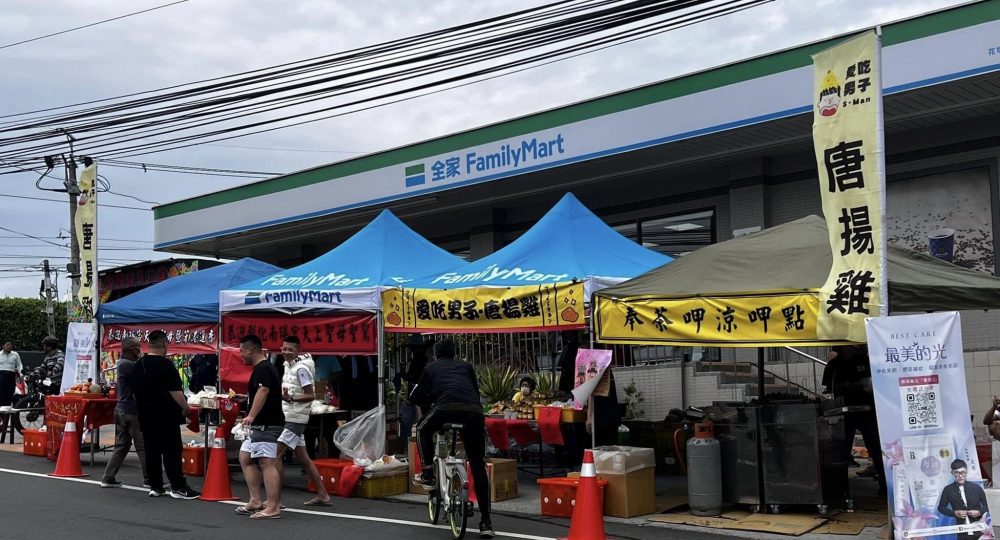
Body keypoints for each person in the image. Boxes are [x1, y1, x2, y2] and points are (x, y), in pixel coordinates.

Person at [410, 339, 494, 539]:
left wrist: (428, 398)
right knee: (477, 464)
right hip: (473, 413)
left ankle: (428, 474)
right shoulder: (466, 367)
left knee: (421, 428)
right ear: (455, 354)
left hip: (445, 410)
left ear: (435, 355)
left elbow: (416, 396)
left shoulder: (431, 368)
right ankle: (486, 522)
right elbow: (474, 390)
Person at [133, 330, 200, 499]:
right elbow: (175, 392)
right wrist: (186, 408)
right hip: (166, 415)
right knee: (171, 451)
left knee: (151, 452)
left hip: (145, 415)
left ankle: (156, 486)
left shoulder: (138, 365)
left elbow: (134, 391)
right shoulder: (166, 365)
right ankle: (177, 486)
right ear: (164, 344)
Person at [822, 344, 886, 495]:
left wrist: (867, 385)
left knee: (876, 448)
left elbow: (877, 382)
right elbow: (829, 388)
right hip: (844, 413)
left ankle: (884, 485)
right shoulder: (834, 365)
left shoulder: (864, 360)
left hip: (867, 410)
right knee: (841, 450)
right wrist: (853, 385)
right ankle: (840, 489)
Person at [276, 336, 331, 507]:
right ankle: (323, 494)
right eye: (284, 348)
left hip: (295, 419)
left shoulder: (301, 369)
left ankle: (274, 500)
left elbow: (310, 394)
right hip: (291, 416)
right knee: (304, 459)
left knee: (275, 455)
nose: (286, 352)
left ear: (298, 350)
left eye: (290, 349)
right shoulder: (289, 366)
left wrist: (290, 397)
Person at [237, 334, 285, 520]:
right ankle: (256, 500)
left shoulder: (263, 368)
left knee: (267, 463)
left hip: (267, 423)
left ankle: (273, 506)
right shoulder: (263, 368)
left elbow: (263, 390)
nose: (241, 355)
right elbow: (261, 391)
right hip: (261, 423)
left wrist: (251, 415)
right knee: (245, 457)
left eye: (241, 351)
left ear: (250, 350)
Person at [101, 337, 150, 488]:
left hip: (121, 409)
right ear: (131, 349)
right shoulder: (130, 365)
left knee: (122, 445)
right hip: (132, 410)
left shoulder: (122, 363)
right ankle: (150, 479)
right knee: (142, 446)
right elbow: (143, 384)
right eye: (137, 348)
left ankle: (108, 477)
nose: (139, 351)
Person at [937, 459, 989, 538]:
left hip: (980, 531)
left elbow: (987, 505)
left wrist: (979, 512)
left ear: (966, 471)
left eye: (963, 472)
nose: (960, 476)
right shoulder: (947, 490)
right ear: (952, 473)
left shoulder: (976, 488)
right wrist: (955, 513)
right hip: (962, 532)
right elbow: (941, 508)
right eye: (957, 473)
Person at [557, 331, 581, 397]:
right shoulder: (568, 347)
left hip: (573, 377)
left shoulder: (575, 347)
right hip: (568, 378)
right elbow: (563, 365)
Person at [0, 341, 22, 407]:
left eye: (11, 345)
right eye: (7, 345)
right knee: (1, 395)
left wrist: (21, 373)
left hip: (11, 376)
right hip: (1, 376)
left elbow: (19, 365)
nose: (9, 346)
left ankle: (7, 412)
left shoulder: (15, 354)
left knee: (10, 394)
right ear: (3, 346)